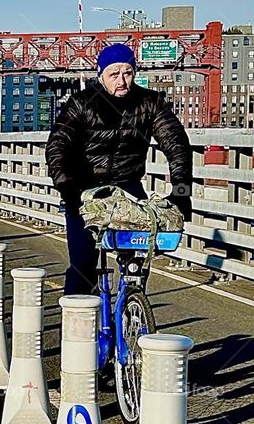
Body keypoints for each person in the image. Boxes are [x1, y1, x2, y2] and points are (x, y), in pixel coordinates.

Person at [46, 43, 192, 295]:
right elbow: (57, 146)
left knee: (140, 256)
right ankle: (75, 329)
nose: (122, 81)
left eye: (128, 73)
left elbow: (176, 143)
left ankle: (131, 310)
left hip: (128, 188)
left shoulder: (150, 102)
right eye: (114, 74)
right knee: (82, 264)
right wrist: (67, 187)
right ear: (101, 75)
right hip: (85, 189)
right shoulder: (81, 103)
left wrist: (181, 190)